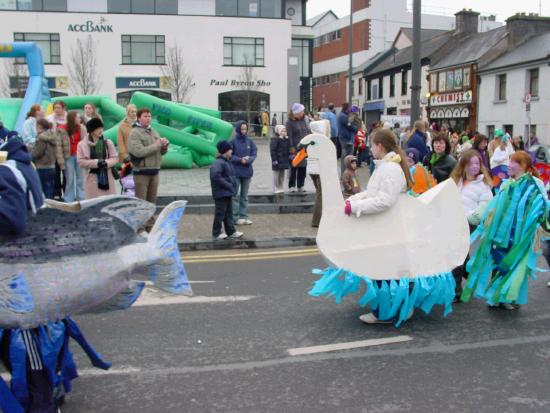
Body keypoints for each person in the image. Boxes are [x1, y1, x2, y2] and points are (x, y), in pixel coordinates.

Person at [462, 151, 548, 310]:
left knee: (514, 262)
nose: (509, 165)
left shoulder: (535, 183)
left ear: (522, 166)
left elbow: (543, 205)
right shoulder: (506, 183)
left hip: (521, 234)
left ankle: (508, 297)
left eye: (512, 162)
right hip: (501, 233)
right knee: (498, 259)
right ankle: (496, 296)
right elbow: (496, 206)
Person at [344, 128, 413, 324]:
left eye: (372, 144)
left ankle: (387, 313)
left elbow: (384, 200)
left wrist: (355, 207)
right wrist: (353, 201)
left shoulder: (390, 169)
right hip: (384, 229)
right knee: (385, 271)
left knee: (385, 272)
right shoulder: (385, 167)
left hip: (388, 230)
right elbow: (372, 193)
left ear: (380, 146)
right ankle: (398, 309)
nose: (369, 147)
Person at [450, 150, 493, 301]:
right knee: (461, 256)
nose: (475, 166)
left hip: (469, 224)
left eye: (477, 163)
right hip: (453, 222)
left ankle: (456, 291)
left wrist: (465, 217)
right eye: (471, 163)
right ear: (463, 165)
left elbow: (483, 210)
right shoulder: (456, 181)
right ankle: (472, 276)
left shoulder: (484, 185)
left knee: (456, 255)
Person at [128, 108, 169, 232]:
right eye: (145, 116)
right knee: (141, 202)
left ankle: (150, 227)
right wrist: (156, 145)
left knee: (151, 202)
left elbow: (160, 152)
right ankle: (139, 228)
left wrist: (164, 146)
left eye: (150, 116)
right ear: (139, 118)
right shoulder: (135, 133)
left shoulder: (153, 131)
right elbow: (138, 152)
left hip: (154, 171)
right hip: (142, 172)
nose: (148, 118)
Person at [77, 118, 118, 199]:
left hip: (107, 179)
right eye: (98, 128)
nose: (101, 130)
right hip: (91, 179)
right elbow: (81, 161)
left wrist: (106, 163)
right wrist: (97, 163)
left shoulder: (107, 142)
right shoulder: (82, 144)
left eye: (101, 128)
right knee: (93, 205)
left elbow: (115, 158)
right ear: (92, 130)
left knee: (107, 204)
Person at [210, 140, 243, 240]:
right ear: (225, 151)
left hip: (227, 192)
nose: (231, 151)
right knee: (220, 214)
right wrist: (228, 185)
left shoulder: (227, 162)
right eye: (230, 150)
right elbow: (215, 176)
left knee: (228, 213)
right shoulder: (219, 163)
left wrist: (231, 186)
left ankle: (231, 231)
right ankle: (216, 232)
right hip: (221, 193)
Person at [230, 121, 257, 225]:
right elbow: (230, 155)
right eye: (242, 129)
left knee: (244, 196)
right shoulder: (232, 142)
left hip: (247, 172)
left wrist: (249, 159)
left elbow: (254, 152)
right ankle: (235, 217)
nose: (244, 131)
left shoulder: (249, 141)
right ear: (238, 129)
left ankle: (243, 215)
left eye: (245, 129)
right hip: (236, 172)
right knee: (235, 196)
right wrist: (239, 160)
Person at [32, 118, 64, 199]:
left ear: (39, 126)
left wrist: (30, 153)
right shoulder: (52, 135)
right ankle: (50, 207)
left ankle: (44, 208)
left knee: (42, 189)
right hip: (52, 165)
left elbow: (38, 152)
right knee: (50, 188)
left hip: (42, 166)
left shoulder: (40, 138)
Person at [64, 110, 87, 202]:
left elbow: (85, 142)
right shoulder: (64, 129)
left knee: (81, 178)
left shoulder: (82, 128)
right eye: (77, 117)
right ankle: (68, 199)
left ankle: (81, 198)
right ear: (72, 119)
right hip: (68, 155)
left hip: (79, 155)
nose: (79, 119)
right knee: (69, 178)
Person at [286, 103, 309, 193]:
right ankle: (291, 186)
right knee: (294, 167)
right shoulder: (289, 122)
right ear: (297, 112)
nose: (303, 113)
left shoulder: (304, 120)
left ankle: (300, 185)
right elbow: (289, 136)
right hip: (295, 148)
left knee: (303, 168)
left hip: (304, 148)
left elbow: (307, 131)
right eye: (301, 111)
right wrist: (291, 148)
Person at [337, 103, 357, 174]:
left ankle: (346, 173)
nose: (350, 109)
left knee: (346, 157)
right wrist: (356, 128)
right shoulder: (343, 116)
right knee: (346, 157)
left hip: (346, 138)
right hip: (346, 139)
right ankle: (345, 174)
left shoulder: (343, 115)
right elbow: (350, 125)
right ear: (347, 108)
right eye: (349, 108)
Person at [270, 125, 290, 194]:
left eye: (285, 131)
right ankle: (276, 187)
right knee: (276, 175)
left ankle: (281, 186)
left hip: (284, 160)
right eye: (282, 131)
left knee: (282, 175)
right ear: (279, 132)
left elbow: (288, 149)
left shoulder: (286, 140)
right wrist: (274, 160)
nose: (284, 132)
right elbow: (273, 150)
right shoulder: (275, 139)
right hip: (277, 160)